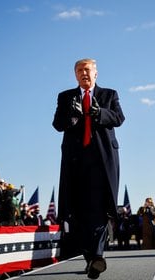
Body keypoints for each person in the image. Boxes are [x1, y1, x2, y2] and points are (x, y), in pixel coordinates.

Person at [53, 58, 125, 279]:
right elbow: (57, 124)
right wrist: (73, 116)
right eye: (79, 71)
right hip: (75, 163)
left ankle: (96, 255)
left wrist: (98, 112)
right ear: (75, 75)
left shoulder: (109, 94)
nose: (83, 73)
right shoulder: (65, 97)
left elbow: (119, 118)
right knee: (77, 212)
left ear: (96, 74)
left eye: (87, 70)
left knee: (99, 209)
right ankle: (93, 259)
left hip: (101, 162)